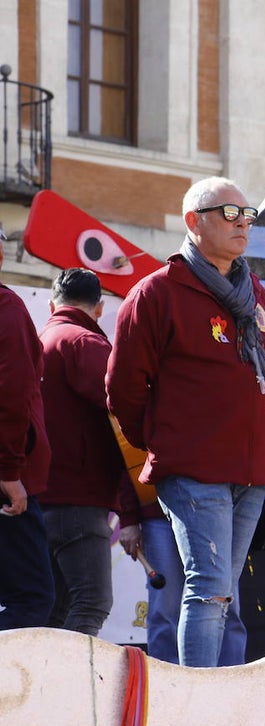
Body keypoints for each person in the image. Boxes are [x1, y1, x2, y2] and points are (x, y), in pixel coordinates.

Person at [107, 176, 265, 668]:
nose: (243, 223)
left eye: (248, 214)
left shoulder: (254, 293)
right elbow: (122, 389)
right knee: (208, 586)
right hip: (192, 466)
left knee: (224, 590)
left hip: (251, 468)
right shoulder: (156, 292)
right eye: (229, 213)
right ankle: (194, 703)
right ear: (193, 221)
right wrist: (161, 440)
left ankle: (218, 704)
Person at [38, 268, 122, 636]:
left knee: (56, 608)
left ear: (52, 304)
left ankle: (40, 676)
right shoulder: (85, 344)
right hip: (79, 497)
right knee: (91, 602)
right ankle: (64, 679)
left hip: (38, 497)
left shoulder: (39, 341)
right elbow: (124, 405)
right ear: (99, 308)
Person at [117, 480, 247, 665]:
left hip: (216, 512)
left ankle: (233, 678)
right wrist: (128, 519)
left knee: (226, 605)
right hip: (160, 510)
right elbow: (129, 464)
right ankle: (166, 680)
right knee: (164, 609)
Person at [0, 248, 54, 629]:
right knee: (33, 598)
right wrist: (9, 471)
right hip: (6, 479)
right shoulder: (7, 309)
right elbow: (12, 391)